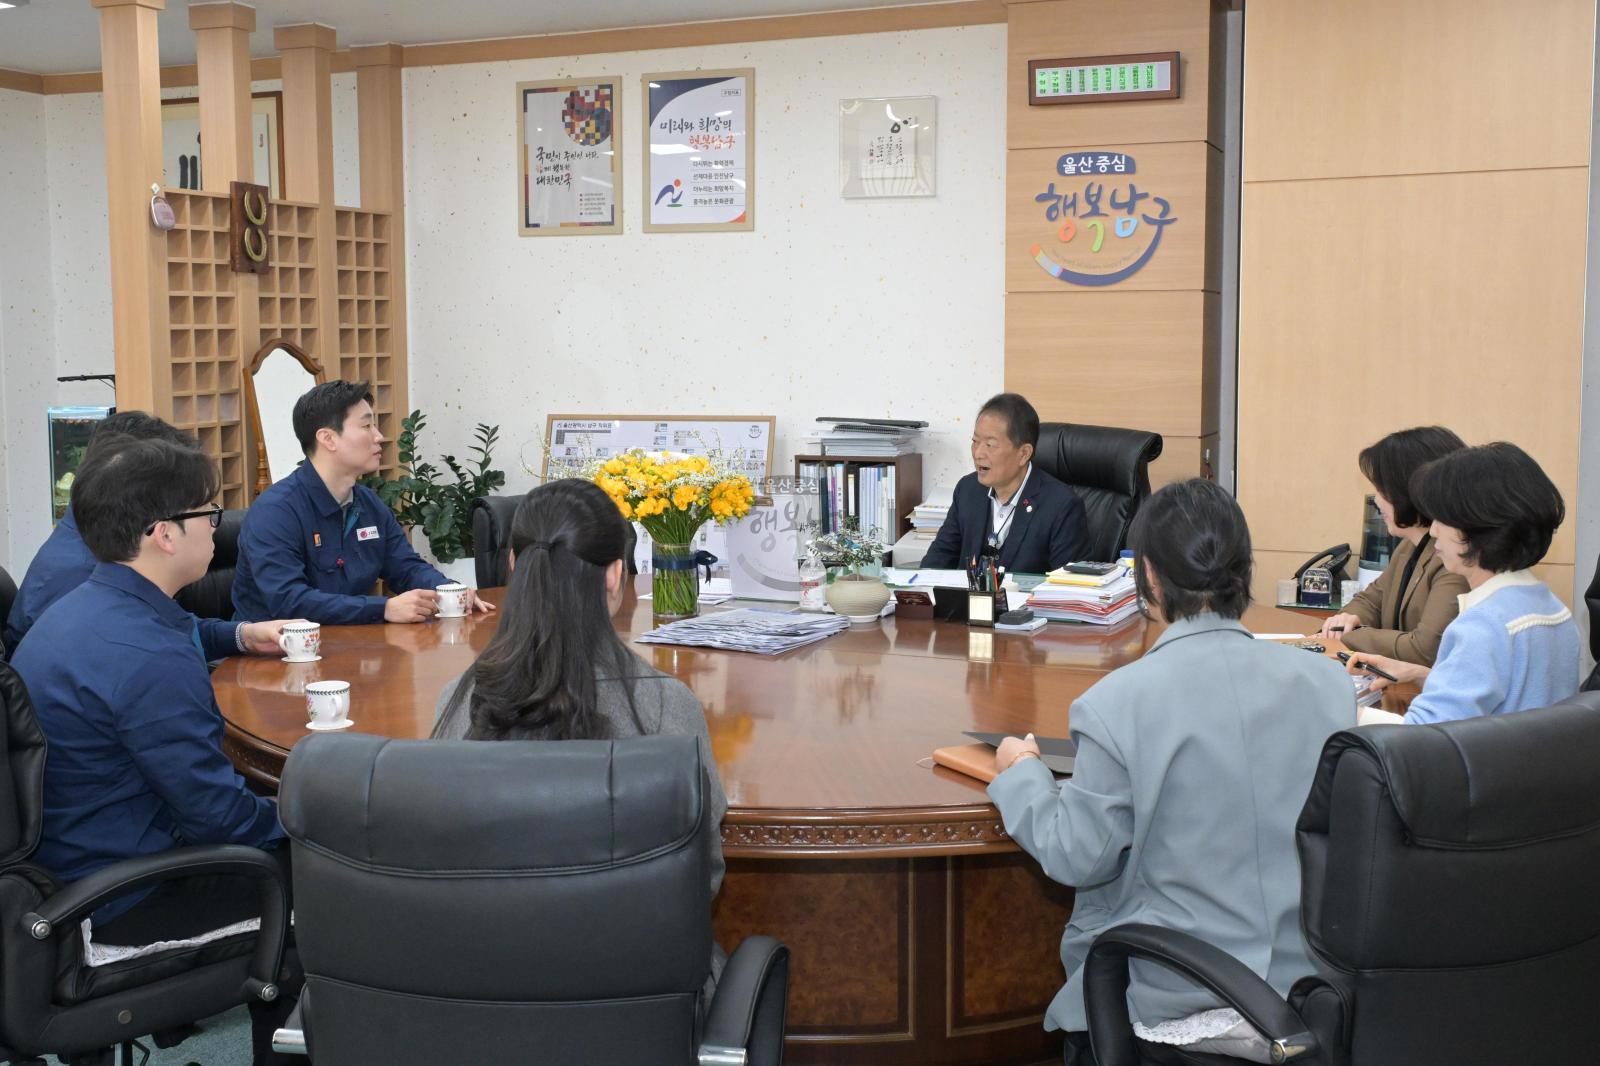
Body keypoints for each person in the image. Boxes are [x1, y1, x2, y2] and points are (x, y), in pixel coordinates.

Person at [987, 480, 1354, 1065]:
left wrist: (1022, 773)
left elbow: (1078, 855)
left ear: (1150, 578)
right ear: (1245, 569)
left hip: (1183, 992)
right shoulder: (1330, 684)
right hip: (1311, 988)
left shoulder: (1116, 703)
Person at [10, 439, 298, 1065]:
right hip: (114, 903)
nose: (217, 527)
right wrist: (311, 815)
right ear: (164, 534)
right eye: (209, 513)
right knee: (326, 885)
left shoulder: (79, 611)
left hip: (60, 871)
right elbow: (221, 820)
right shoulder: (146, 654)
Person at [431, 480, 728, 972]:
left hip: (479, 980)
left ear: (513, 565)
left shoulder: (458, 700)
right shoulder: (667, 707)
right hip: (630, 988)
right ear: (615, 575)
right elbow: (701, 877)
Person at [4, 411, 300, 659]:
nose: (213, 523)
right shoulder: (83, 575)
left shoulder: (111, 544)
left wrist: (242, 636)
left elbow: (169, 625)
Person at [1346, 443, 1579, 725]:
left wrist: (1334, 708)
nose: (1433, 530)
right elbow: (1508, 699)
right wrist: (1422, 675)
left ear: (1476, 528)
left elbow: (1421, 734)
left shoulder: (1483, 626)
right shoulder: (1555, 610)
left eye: (1441, 519)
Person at [232, 380, 494, 624]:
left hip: (349, 645)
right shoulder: (276, 512)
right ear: (328, 439)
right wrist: (383, 609)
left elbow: (405, 567)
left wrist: (449, 590)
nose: (379, 436)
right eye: (366, 426)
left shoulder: (368, 503)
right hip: (272, 653)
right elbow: (289, 602)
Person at [1319, 426, 1468, 665]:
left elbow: (1424, 650)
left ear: (1411, 490)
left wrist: (1353, 634)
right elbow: (1370, 601)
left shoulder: (1455, 558)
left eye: (1381, 490)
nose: (1377, 501)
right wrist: (1347, 619)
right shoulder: (1408, 547)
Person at [921, 393, 1090, 574]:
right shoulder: (967, 490)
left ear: (1023, 454)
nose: (978, 453)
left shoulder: (1062, 506)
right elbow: (938, 559)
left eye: (990, 445)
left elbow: (1069, 585)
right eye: (975, 442)